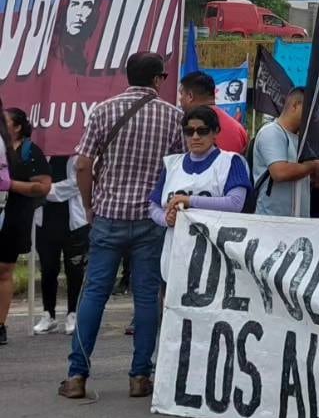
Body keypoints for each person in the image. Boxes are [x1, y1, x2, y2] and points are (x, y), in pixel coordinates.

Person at [62, 51, 182, 400]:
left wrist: (88, 205)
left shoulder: (103, 110)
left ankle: (76, 376)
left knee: (94, 294)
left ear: (128, 75)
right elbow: (175, 169)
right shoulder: (173, 117)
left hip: (108, 215)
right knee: (146, 298)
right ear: (158, 79)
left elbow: (83, 165)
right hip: (150, 218)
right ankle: (139, 377)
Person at [149, 106, 251, 250]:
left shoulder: (231, 162)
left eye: (202, 131)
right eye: (189, 132)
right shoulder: (172, 164)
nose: (195, 137)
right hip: (176, 250)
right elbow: (154, 206)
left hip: (216, 250)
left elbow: (235, 203)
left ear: (215, 132)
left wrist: (189, 201)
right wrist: (166, 219)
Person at [0, 109, 49, 345]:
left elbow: (43, 186)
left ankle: (0, 325)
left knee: (3, 270)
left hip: (13, 217)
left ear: (17, 127)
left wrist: (10, 185)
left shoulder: (29, 152)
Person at [33, 155, 88, 335]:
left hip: (74, 222)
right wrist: (40, 188)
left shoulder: (78, 154)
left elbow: (78, 182)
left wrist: (46, 189)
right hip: (46, 220)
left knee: (75, 270)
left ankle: (73, 313)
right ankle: (48, 313)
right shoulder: (41, 154)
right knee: (48, 269)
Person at [251, 89, 319, 216]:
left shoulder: (303, 140)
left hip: (299, 223)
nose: (314, 116)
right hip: (271, 222)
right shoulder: (272, 132)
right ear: (295, 105)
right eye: (311, 110)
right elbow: (280, 172)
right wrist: (313, 166)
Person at [178, 71, 249, 153]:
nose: (180, 99)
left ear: (190, 96)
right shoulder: (238, 129)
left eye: (181, 94)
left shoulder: (184, 126)